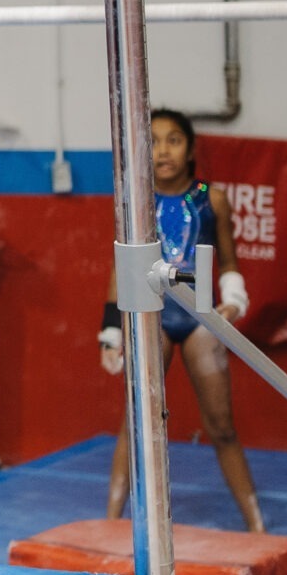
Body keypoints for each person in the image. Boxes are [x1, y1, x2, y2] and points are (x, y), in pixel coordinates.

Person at [100, 108, 266, 533]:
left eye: (174, 140)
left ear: (191, 149)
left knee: (221, 425)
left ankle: (258, 527)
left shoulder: (212, 198)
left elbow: (228, 260)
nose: (163, 150)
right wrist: (111, 330)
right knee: (134, 421)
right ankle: (110, 523)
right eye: (153, 141)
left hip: (199, 318)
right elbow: (121, 268)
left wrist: (235, 299)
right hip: (152, 316)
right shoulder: (134, 201)